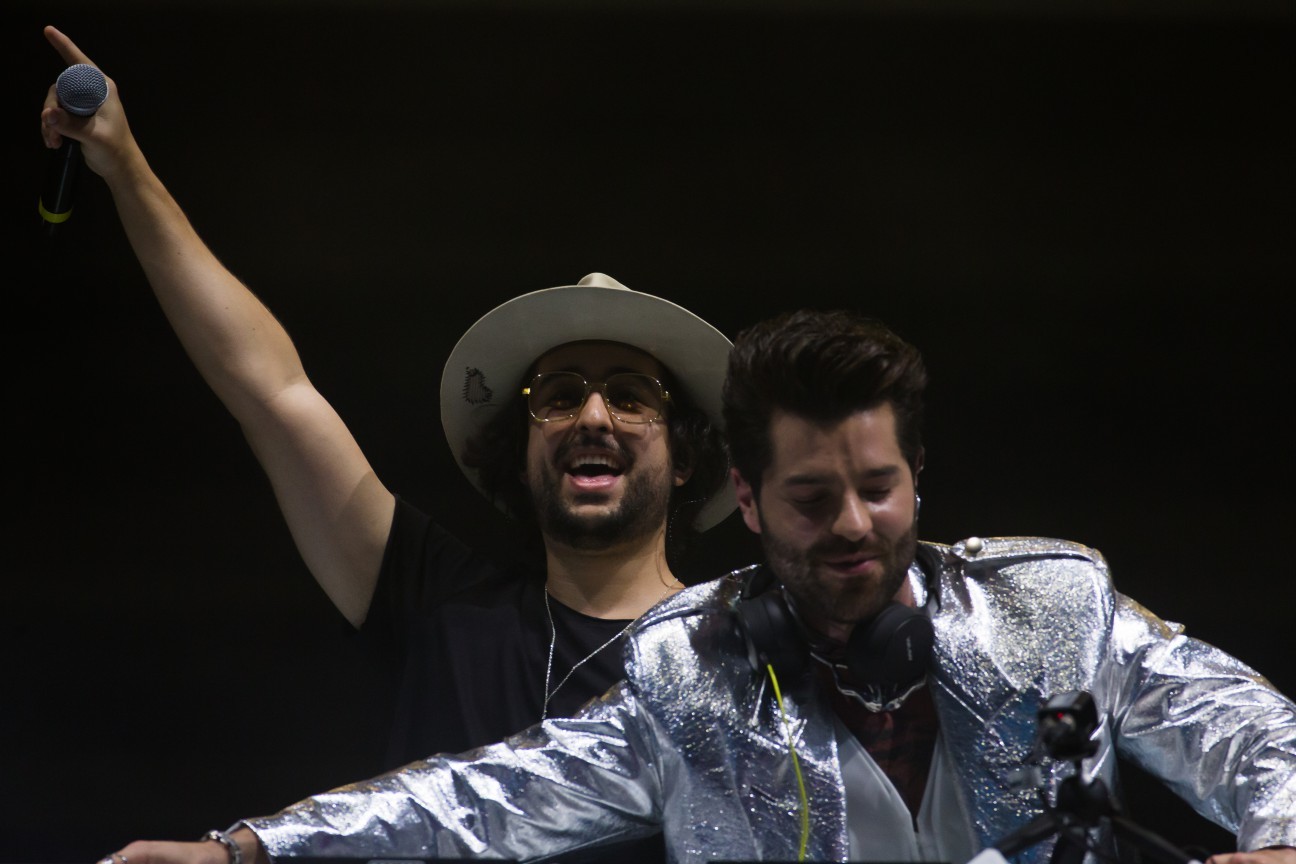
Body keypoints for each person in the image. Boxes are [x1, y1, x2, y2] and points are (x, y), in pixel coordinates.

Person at [102, 309, 1295, 864]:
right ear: (750, 497)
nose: (852, 526)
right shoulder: (689, 675)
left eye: (877, 488)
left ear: (918, 480)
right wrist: (245, 851)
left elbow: (1254, 734)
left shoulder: (1059, 606)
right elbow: (480, 799)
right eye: (813, 498)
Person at [37, 23, 734, 860]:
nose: (592, 418)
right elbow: (272, 392)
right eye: (557, 397)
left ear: (687, 454)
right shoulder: (440, 600)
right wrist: (127, 168)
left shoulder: (737, 653)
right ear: (519, 447)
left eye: (631, 396)